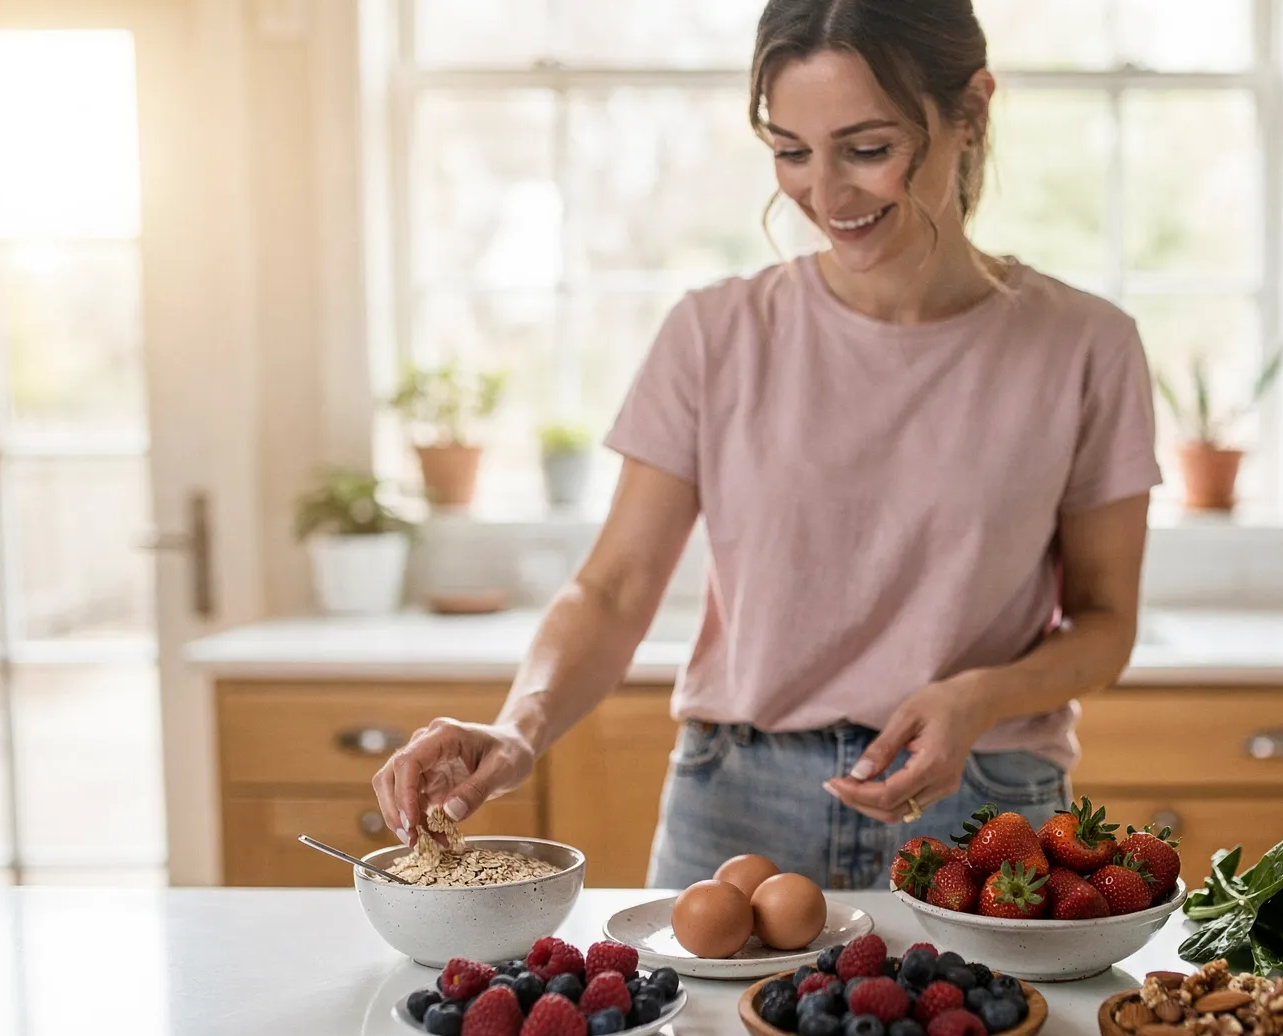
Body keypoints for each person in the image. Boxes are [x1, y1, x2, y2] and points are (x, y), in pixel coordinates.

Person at [372, 0, 1160, 891]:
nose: (824, 196)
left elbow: (1104, 621)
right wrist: (519, 729)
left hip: (981, 803)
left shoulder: (1085, 345)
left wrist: (976, 697)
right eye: (791, 151)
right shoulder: (715, 333)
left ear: (972, 110)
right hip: (736, 806)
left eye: (867, 149)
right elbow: (614, 585)